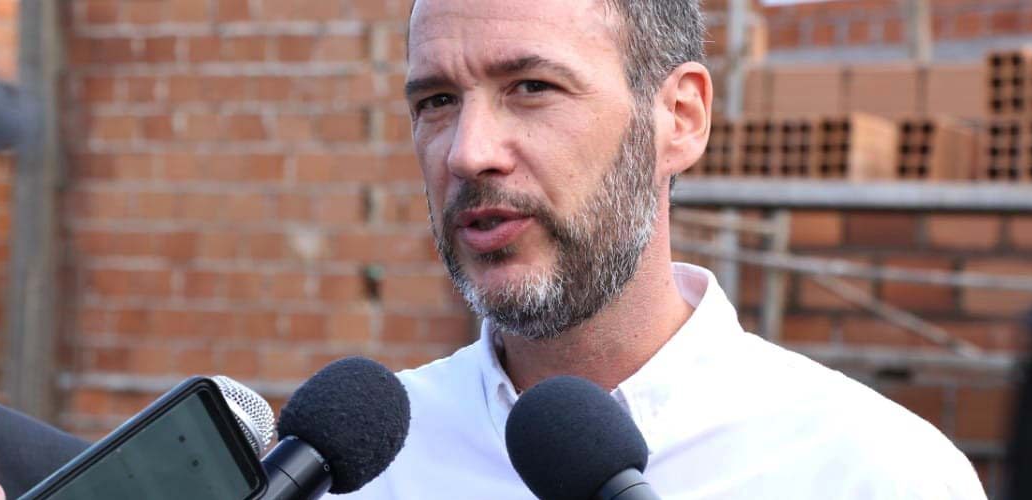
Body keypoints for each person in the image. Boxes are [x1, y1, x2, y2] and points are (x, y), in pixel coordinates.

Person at [331, 0, 986, 498]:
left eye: (531, 87)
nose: (468, 152)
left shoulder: (873, 473)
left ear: (680, 118)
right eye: (438, 101)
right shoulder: (359, 472)